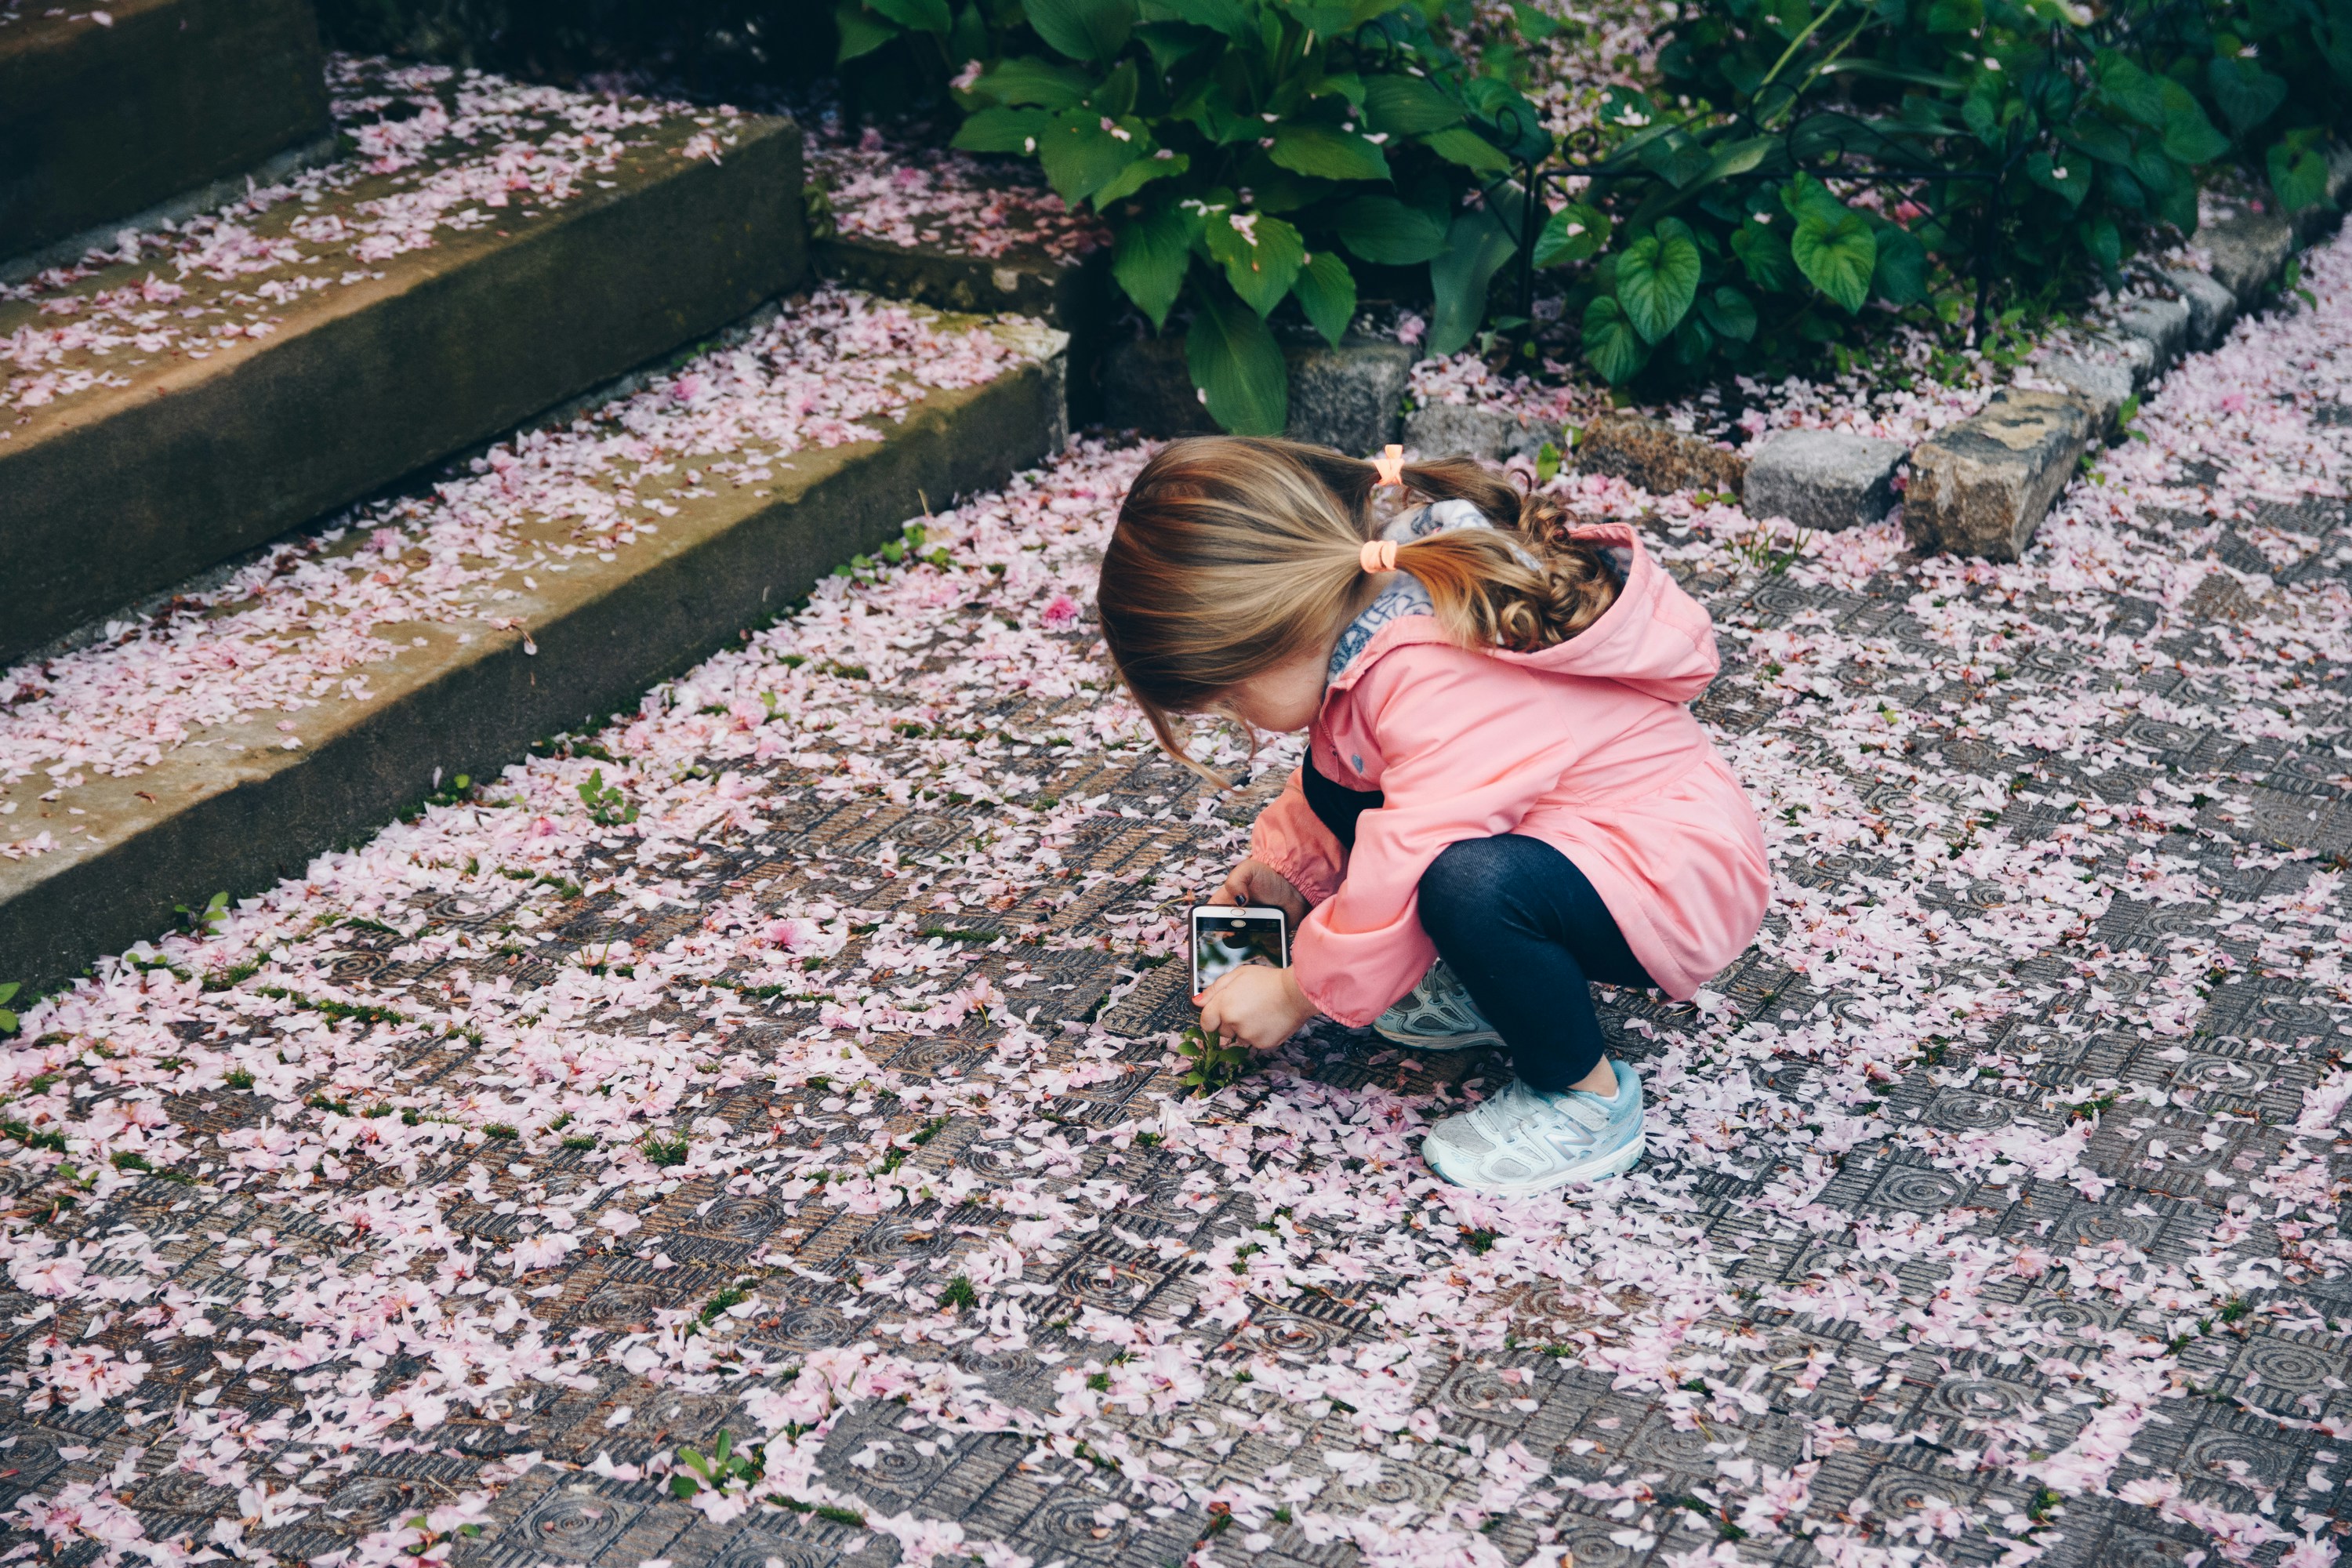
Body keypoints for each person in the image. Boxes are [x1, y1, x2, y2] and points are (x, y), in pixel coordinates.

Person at [1094, 437, 1769, 1197]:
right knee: (1384, 813)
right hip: (1600, 844)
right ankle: (1497, 986)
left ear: (1287, 628)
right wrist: (1288, 874)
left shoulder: (1428, 671)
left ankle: (1585, 1097)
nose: (1239, 717)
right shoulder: (1370, 618)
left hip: (1671, 877)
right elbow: (1341, 776)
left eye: (1230, 696)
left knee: (1465, 884)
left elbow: (1410, 854)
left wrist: (1294, 992)